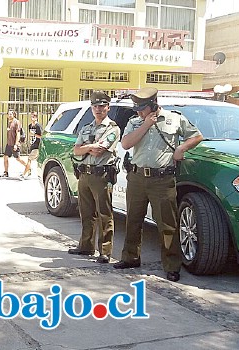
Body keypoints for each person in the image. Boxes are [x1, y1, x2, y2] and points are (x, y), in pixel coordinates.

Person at [113, 87, 203, 282]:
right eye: (137, 108)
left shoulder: (174, 119)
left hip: (162, 180)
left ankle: (172, 266)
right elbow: (126, 144)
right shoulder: (135, 121)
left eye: (142, 108)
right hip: (137, 178)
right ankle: (130, 257)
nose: (138, 111)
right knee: (133, 220)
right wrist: (145, 124)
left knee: (167, 224)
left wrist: (181, 147)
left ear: (153, 104)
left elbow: (196, 136)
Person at [68, 91, 120, 264]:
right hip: (84, 174)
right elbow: (76, 150)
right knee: (86, 213)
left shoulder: (112, 128)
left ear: (108, 108)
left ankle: (104, 251)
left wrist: (86, 147)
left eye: (102, 106)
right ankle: (86, 246)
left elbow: (99, 151)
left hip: (101, 175)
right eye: (95, 106)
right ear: (92, 108)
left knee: (104, 214)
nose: (98, 109)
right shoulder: (86, 128)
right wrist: (90, 146)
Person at [1, 109, 26, 178]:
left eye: (10, 114)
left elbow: (18, 134)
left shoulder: (16, 122)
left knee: (18, 158)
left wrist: (16, 144)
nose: (9, 115)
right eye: (8, 114)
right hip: (9, 144)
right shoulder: (10, 122)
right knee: (5, 157)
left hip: (14, 144)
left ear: (14, 115)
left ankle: (28, 167)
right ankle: (6, 172)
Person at [20, 111, 42, 180]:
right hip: (32, 144)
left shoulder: (38, 126)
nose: (32, 118)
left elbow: (41, 136)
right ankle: (29, 172)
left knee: (29, 159)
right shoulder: (30, 126)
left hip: (37, 146)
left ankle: (24, 174)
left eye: (34, 116)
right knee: (35, 160)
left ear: (36, 117)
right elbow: (30, 135)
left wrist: (34, 134)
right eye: (31, 116)